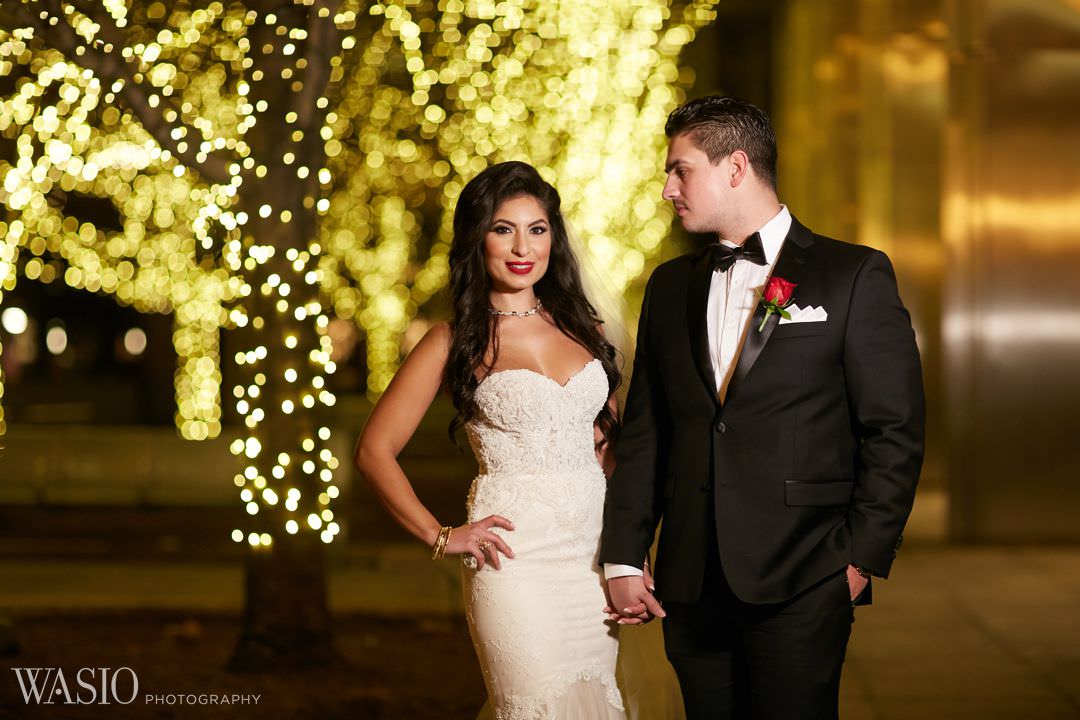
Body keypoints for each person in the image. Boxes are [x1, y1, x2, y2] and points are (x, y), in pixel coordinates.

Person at [600, 96, 926, 719]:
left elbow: (894, 430)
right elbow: (647, 434)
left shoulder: (851, 275)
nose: (668, 189)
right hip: (690, 583)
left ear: (735, 167)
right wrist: (623, 554)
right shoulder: (669, 288)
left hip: (806, 573)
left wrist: (859, 560)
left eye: (680, 169)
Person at [355, 160, 628, 718]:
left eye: (537, 228)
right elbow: (372, 451)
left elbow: (609, 453)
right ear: (478, 238)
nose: (522, 246)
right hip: (514, 564)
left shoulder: (587, 330)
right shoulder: (452, 341)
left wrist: (630, 556)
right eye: (503, 229)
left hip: (592, 563)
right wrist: (439, 535)